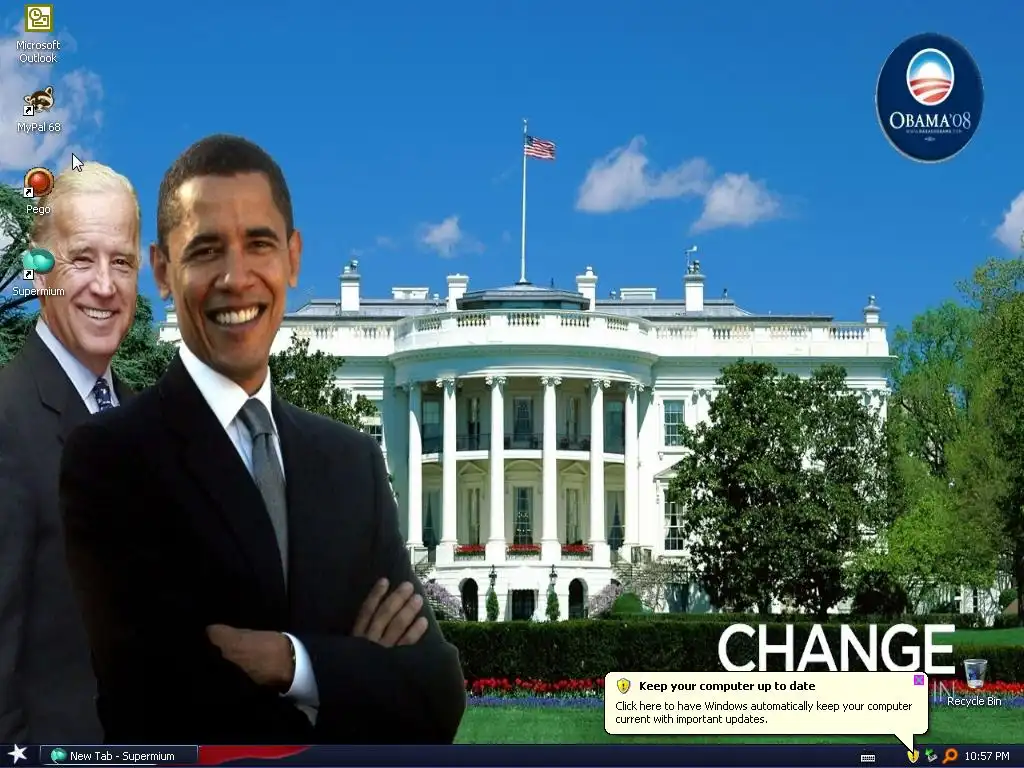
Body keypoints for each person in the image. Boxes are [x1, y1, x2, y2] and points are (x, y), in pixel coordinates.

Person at [59, 134, 467, 744]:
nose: (236, 277)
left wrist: (289, 662)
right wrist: (359, 670)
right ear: (162, 271)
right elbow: (157, 706)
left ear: (293, 259)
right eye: (205, 250)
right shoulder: (111, 457)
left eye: (259, 244)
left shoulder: (351, 462)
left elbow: (437, 697)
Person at [0, 162, 141, 743]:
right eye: (82, 259)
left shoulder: (147, 423)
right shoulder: (6, 421)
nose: (105, 285)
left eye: (122, 262)